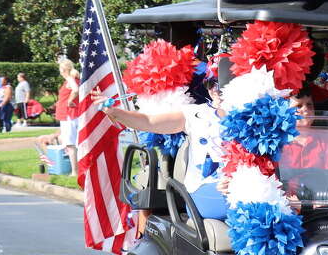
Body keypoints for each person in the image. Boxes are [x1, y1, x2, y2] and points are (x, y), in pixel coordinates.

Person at [94, 80, 228, 219]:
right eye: (211, 83)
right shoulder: (196, 114)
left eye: (223, 82)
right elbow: (149, 121)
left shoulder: (250, 115)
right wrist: (114, 111)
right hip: (207, 187)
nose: (216, 89)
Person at [55, 59, 80, 168]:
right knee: (67, 141)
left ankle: (74, 170)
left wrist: (69, 100)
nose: (60, 72)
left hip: (69, 114)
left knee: (70, 144)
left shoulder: (70, 79)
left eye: (61, 69)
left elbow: (75, 89)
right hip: (72, 114)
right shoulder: (74, 79)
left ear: (64, 69)